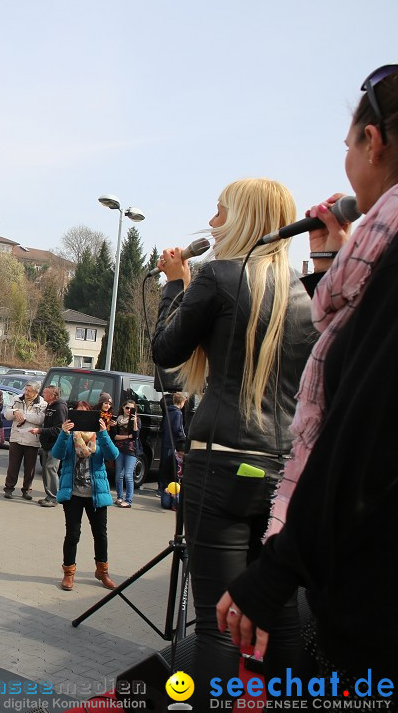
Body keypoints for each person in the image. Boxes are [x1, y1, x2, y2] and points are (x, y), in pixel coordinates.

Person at [219, 66, 398, 685]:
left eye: (349, 145)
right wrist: (333, 255)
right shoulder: (373, 254)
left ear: (373, 142)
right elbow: (353, 342)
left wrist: (277, 568)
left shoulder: (222, 281)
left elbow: (361, 425)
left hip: (372, 592)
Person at [151, 177, 314, 697]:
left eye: (220, 213)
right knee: (281, 617)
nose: (212, 222)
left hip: (218, 466)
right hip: (280, 472)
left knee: (217, 625)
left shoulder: (218, 277)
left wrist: (175, 284)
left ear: (242, 220)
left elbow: (165, 351)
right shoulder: (307, 293)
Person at [51, 402, 118, 591]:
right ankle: (69, 573)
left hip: (96, 493)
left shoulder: (98, 436)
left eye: (85, 415)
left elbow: (113, 454)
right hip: (73, 493)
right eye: (77, 415)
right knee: (72, 534)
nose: (82, 420)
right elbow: (57, 454)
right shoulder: (69, 436)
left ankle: (102, 571)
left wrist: (104, 433)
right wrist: (64, 434)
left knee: (100, 534)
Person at [2, 382, 45, 500]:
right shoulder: (16, 399)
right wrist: (15, 412)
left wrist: (24, 415)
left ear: (36, 392)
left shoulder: (42, 403)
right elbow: (7, 414)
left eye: (29, 391)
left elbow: (40, 419)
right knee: (13, 466)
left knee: (30, 468)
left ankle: (27, 490)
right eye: (26, 390)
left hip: (32, 439)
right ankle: (9, 488)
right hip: (16, 437)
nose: (26, 392)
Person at [37, 385, 69, 507]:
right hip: (47, 444)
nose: (42, 394)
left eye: (45, 393)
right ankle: (49, 496)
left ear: (52, 396)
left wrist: (41, 431)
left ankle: (53, 497)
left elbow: (58, 429)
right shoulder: (50, 406)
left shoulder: (60, 407)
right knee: (46, 469)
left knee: (51, 469)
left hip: (55, 445)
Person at [111, 399, 140, 508]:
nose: (129, 410)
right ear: (123, 408)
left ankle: (128, 500)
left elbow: (136, 436)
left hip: (131, 450)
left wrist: (135, 422)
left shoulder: (135, 420)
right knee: (119, 475)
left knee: (128, 475)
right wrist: (128, 436)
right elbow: (115, 436)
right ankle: (119, 497)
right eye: (127, 408)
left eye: (132, 409)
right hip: (119, 449)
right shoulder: (118, 420)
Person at [157, 392, 187, 497]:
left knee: (164, 464)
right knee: (171, 465)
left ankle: (160, 488)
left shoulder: (168, 411)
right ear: (182, 402)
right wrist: (183, 438)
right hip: (173, 442)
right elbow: (177, 428)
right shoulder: (178, 413)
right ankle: (168, 488)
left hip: (165, 441)